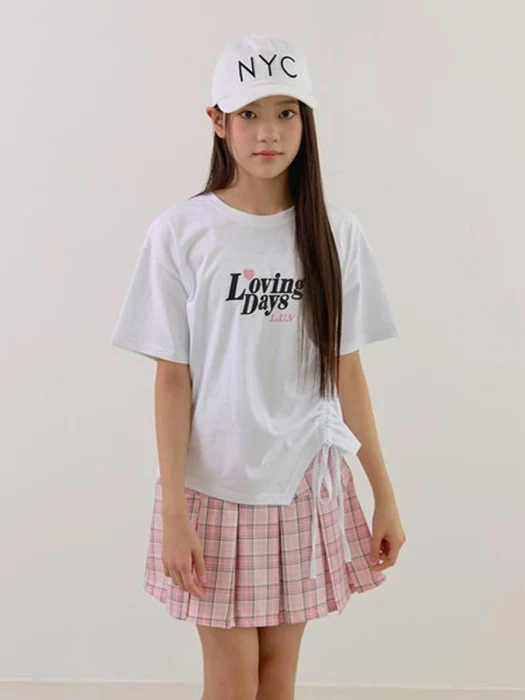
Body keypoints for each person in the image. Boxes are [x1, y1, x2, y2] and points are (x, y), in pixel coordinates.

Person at [110, 32, 406, 699]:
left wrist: (383, 494)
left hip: (302, 483)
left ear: (306, 120)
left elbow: (347, 373)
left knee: (276, 676)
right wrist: (176, 510)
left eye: (285, 112)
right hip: (212, 487)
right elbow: (172, 380)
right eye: (248, 113)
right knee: (233, 677)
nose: (268, 131)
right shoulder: (181, 233)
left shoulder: (336, 232)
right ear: (217, 122)